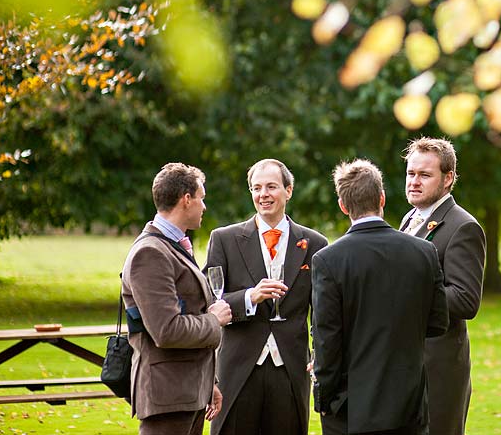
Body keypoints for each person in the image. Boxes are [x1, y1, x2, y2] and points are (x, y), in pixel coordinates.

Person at [312, 159, 448, 435]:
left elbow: (327, 340)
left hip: (351, 407)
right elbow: (438, 323)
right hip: (409, 402)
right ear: (382, 198)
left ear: (343, 205)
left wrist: (323, 398)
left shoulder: (328, 260)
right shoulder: (423, 252)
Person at [203, 158, 328, 435]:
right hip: (238, 367)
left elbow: (322, 310)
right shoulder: (224, 239)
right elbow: (209, 301)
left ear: (289, 190)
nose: (263, 195)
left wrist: (320, 352)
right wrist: (250, 296)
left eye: (271, 187)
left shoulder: (314, 244)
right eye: (256, 188)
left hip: (290, 368)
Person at [121, 162, 232, 435]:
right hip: (167, 396)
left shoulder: (174, 245)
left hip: (189, 393)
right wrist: (213, 320)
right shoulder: (150, 253)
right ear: (186, 199)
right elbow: (166, 330)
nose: (204, 207)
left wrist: (210, 383)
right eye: (201, 198)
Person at [400, 137, 487, 435]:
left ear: (448, 178)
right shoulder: (409, 219)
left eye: (425, 175)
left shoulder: (463, 226)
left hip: (437, 368)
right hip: (403, 363)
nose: (414, 182)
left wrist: (407, 297)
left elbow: (465, 300)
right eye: (411, 174)